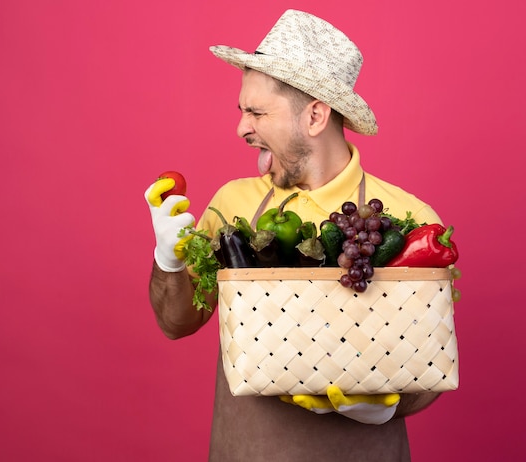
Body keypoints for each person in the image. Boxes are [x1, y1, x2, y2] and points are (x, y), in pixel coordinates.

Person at [145, 9, 444, 461]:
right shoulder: (232, 204)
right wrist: (168, 261)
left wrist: (386, 406)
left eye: (257, 112)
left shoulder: (409, 218)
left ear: (315, 117)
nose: (242, 128)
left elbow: (430, 360)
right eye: (242, 111)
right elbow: (176, 323)